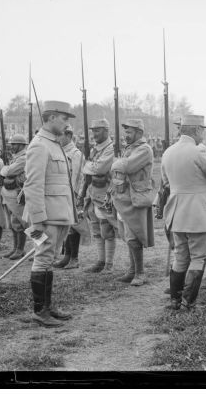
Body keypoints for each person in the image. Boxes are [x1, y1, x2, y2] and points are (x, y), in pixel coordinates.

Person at [162, 114, 206, 310]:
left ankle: (175, 300)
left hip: (176, 210)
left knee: (181, 255)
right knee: (198, 256)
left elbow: (166, 182)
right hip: (197, 212)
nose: (203, 135)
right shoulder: (198, 152)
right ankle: (188, 302)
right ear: (197, 130)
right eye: (202, 130)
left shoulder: (168, 152)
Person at [22, 100, 77, 327]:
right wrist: (38, 220)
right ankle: (39, 311)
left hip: (59, 215)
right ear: (52, 117)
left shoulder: (54, 144)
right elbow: (33, 185)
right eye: (64, 118)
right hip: (45, 218)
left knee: (50, 260)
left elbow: (63, 184)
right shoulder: (39, 145)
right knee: (43, 260)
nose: (66, 124)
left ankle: (47, 307)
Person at [110, 118, 156, 286]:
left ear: (139, 133)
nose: (126, 135)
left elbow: (126, 167)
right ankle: (132, 270)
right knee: (128, 236)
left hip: (136, 198)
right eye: (126, 132)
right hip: (125, 198)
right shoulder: (131, 148)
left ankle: (140, 273)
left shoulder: (144, 149)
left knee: (134, 236)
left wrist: (115, 163)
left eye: (129, 132)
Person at [79, 119, 117, 273]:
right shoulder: (95, 149)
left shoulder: (111, 148)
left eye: (98, 130)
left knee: (107, 230)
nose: (94, 134)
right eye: (93, 131)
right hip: (93, 192)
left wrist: (88, 167)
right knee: (96, 230)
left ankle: (109, 264)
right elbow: (87, 171)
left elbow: (100, 168)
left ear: (106, 131)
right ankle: (100, 261)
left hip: (106, 193)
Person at [53, 124, 84, 270]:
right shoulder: (58, 151)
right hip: (61, 193)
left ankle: (74, 258)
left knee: (74, 227)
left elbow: (77, 177)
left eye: (61, 135)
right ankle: (66, 256)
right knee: (66, 226)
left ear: (69, 136)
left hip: (72, 193)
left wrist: (74, 195)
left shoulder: (75, 153)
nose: (58, 138)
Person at [0, 134, 29, 260]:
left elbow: (8, 171)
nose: (12, 146)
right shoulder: (16, 157)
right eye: (12, 144)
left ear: (22, 145)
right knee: (14, 222)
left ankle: (39, 250)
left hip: (20, 193)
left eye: (15, 144)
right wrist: (6, 169)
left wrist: (5, 169)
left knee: (26, 223)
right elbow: (6, 171)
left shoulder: (23, 158)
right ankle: (17, 248)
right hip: (11, 193)